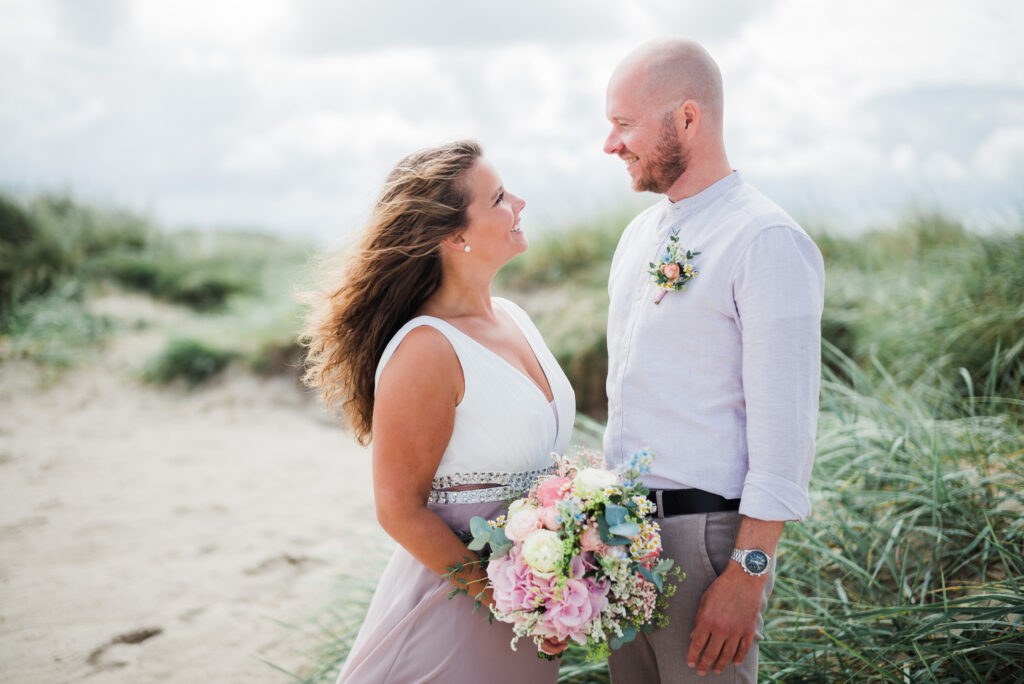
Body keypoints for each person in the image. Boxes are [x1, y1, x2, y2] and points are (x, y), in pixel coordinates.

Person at [300, 140, 574, 683]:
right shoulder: (425, 349)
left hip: (529, 619)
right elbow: (398, 508)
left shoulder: (515, 318)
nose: (518, 202)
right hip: (457, 617)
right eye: (498, 197)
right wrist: (507, 603)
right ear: (454, 235)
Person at [600, 39, 824, 683]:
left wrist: (747, 576)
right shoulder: (637, 236)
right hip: (625, 545)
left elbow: (786, 434)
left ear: (688, 119)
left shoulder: (765, 240)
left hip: (707, 547)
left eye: (623, 124)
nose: (610, 144)